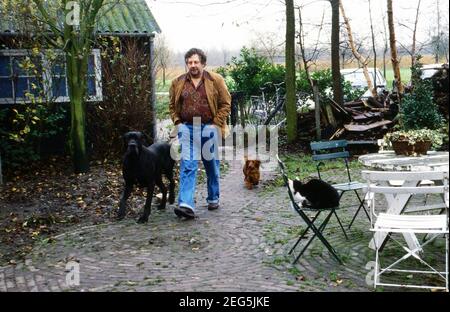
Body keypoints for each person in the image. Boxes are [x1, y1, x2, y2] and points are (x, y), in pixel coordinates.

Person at [169, 48, 231, 219]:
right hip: (187, 128)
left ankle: (213, 197)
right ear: (186, 64)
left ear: (203, 63)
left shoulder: (215, 80)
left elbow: (226, 104)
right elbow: (172, 107)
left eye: (196, 62)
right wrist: (178, 123)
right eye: (189, 62)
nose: (193, 65)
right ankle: (186, 205)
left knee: (211, 165)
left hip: (208, 128)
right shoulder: (178, 82)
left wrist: (215, 124)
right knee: (188, 166)